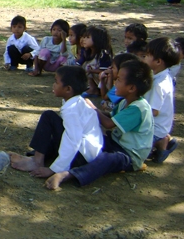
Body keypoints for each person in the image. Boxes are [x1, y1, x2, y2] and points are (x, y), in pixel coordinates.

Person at [45, 60, 154, 189]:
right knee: (85, 139)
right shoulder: (125, 102)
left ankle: (69, 174)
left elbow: (108, 123)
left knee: (107, 159)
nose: (115, 83)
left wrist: (93, 109)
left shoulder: (139, 108)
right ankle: (42, 155)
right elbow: (111, 117)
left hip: (129, 154)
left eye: (118, 79)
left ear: (131, 88)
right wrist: (87, 113)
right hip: (115, 143)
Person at [9, 66, 103, 182]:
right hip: (83, 153)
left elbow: (73, 141)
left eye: (56, 82)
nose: (53, 85)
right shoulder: (75, 101)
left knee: (48, 117)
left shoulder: (73, 110)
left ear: (68, 89)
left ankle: (37, 161)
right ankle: (36, 157)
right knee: (55, 127)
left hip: (80, 157)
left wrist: (54, 169)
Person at [143, 37, 180, 163]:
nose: (144, 58)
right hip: (162, 125)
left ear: (158, 61)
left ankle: (160, 142)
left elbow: (154, 111)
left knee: (133, 147)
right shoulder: (164, 75)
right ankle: (162, 143)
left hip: (155, 127)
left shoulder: (158, 85)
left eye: (147, 55)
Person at [78, 25, 113, 97]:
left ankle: (100, 90)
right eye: (84, 37)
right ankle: (93, 88)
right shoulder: (87, 52)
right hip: (97, 78)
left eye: (87, 37)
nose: (84, 40)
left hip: (105, 79)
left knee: (88, 68)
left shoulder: (103, 54)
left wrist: (91, 71)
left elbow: (105, 70)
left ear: (97, 39)